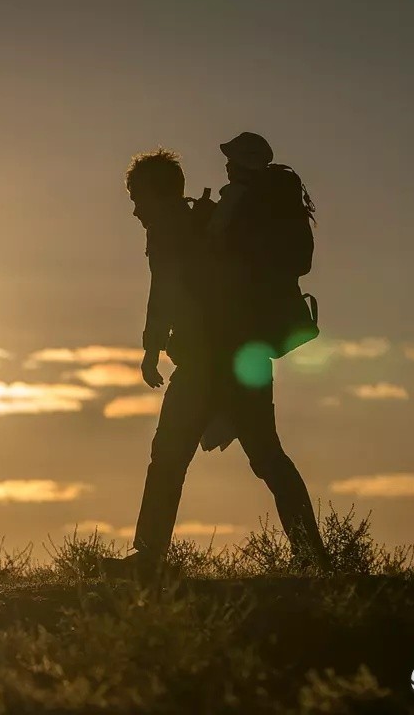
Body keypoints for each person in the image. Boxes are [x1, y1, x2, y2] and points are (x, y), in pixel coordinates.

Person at [106, 136, 330, 582]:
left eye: (137, 199)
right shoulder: (206, 222)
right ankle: (313, 557)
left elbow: (164, 292)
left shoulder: (170, 227)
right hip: (244, 356)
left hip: (207, 364)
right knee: (268, 458)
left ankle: (149, 560)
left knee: (168, 456)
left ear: (157, 193)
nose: (135, 210)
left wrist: (151, 348)